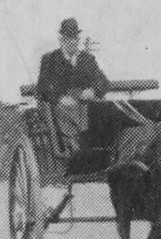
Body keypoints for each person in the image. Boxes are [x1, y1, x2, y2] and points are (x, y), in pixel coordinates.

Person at [35, 17, 108, 156]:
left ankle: (98, 152)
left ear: (78, 39)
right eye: (68, 38)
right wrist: (60, 98)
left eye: (74, 38)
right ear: (61, 39)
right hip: (59, 106)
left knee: (102, 112)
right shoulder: (50, 60)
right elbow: (43, 87)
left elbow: (103, 81)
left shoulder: (87, 59)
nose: (72, 42)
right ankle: (76, 153)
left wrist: (93, 90)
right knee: (66, 110)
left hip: (84, 104)